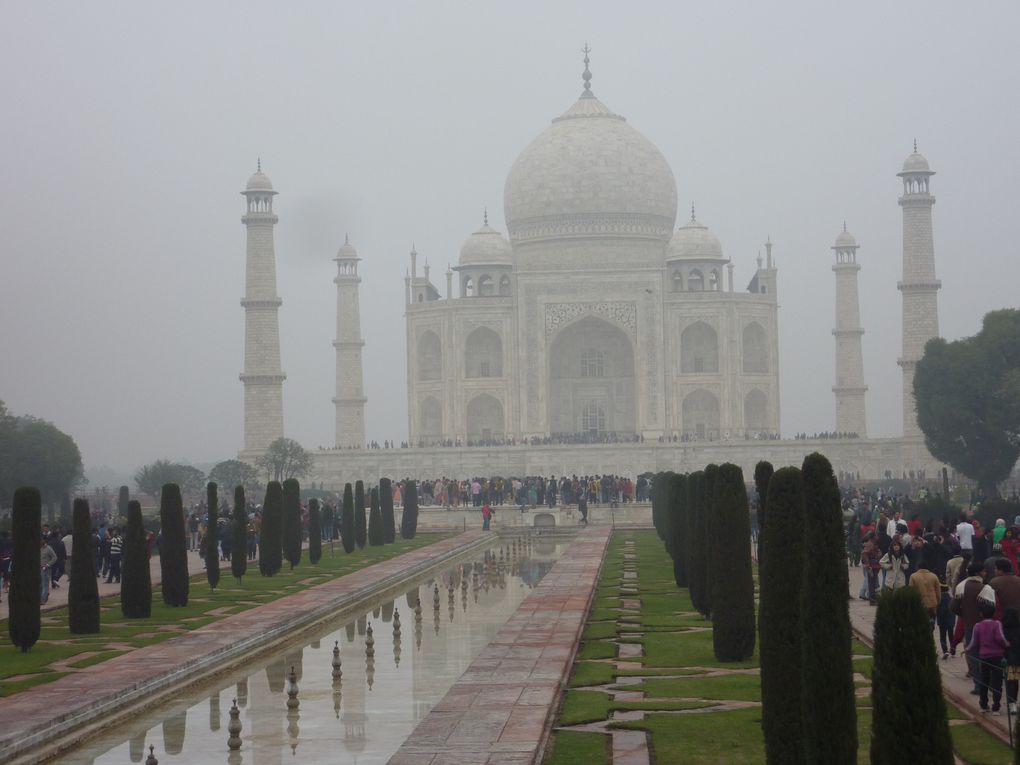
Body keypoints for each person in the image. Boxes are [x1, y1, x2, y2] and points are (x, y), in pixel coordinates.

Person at [953, 561, 998, 695]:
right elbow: (992, 608)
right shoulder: (985, 588)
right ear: (978, 573)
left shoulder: (961, 586)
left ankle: (978, 685)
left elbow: (953, 607)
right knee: (987, 655)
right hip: (986, 627)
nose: (985, 573)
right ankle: (989, 683)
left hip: (969, 626)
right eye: (983, 571)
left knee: (973, 656)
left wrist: (965, 615)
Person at [966, 601, 1010, 714]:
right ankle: (996, 706)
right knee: (997, 682)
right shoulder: (997, 624)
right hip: (997, 656)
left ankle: (983, 705)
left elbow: (974, 643)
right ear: (994, 612)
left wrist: (967, 649)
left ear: (981, 614)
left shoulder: (977, 626)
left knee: (984, 681)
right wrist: (1006, 644)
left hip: (984, 657)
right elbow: (1000, 638)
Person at [909, 558, 942, 629]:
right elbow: (938, 592)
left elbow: (911, 591)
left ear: (918, 567)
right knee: (931, 624)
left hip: (919, 604)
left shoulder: (913, 576)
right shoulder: (934, 576)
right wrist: (938, 602)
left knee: (920, 624)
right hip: (932, 604)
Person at [1003, 608, 1020, 715]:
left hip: (1010, 660)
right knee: (1016, 683)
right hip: (1018, 658)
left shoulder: (1003, 630)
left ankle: (1012, 704)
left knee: (1012, 683)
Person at [40, 536, 57, 605]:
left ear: (44, 540)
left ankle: (43, 599)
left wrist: (48, 565)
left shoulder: (48, 548)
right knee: (40, 585)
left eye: (41, 540)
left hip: (45, 569)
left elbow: (55, 557)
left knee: (45, 584)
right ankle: (45, 594)